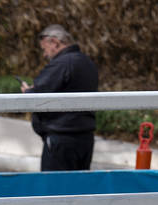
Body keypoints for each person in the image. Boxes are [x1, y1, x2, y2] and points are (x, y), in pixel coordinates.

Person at [20, 24, 99, 171]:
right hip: (86, 139)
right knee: (78, 190)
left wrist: (27, 92)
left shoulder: (62, 64)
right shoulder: (88, 63)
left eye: (45, 49)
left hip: (61, 141)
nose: (45, 55)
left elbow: (37, 97)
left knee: (55, 190)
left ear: (54, 42)